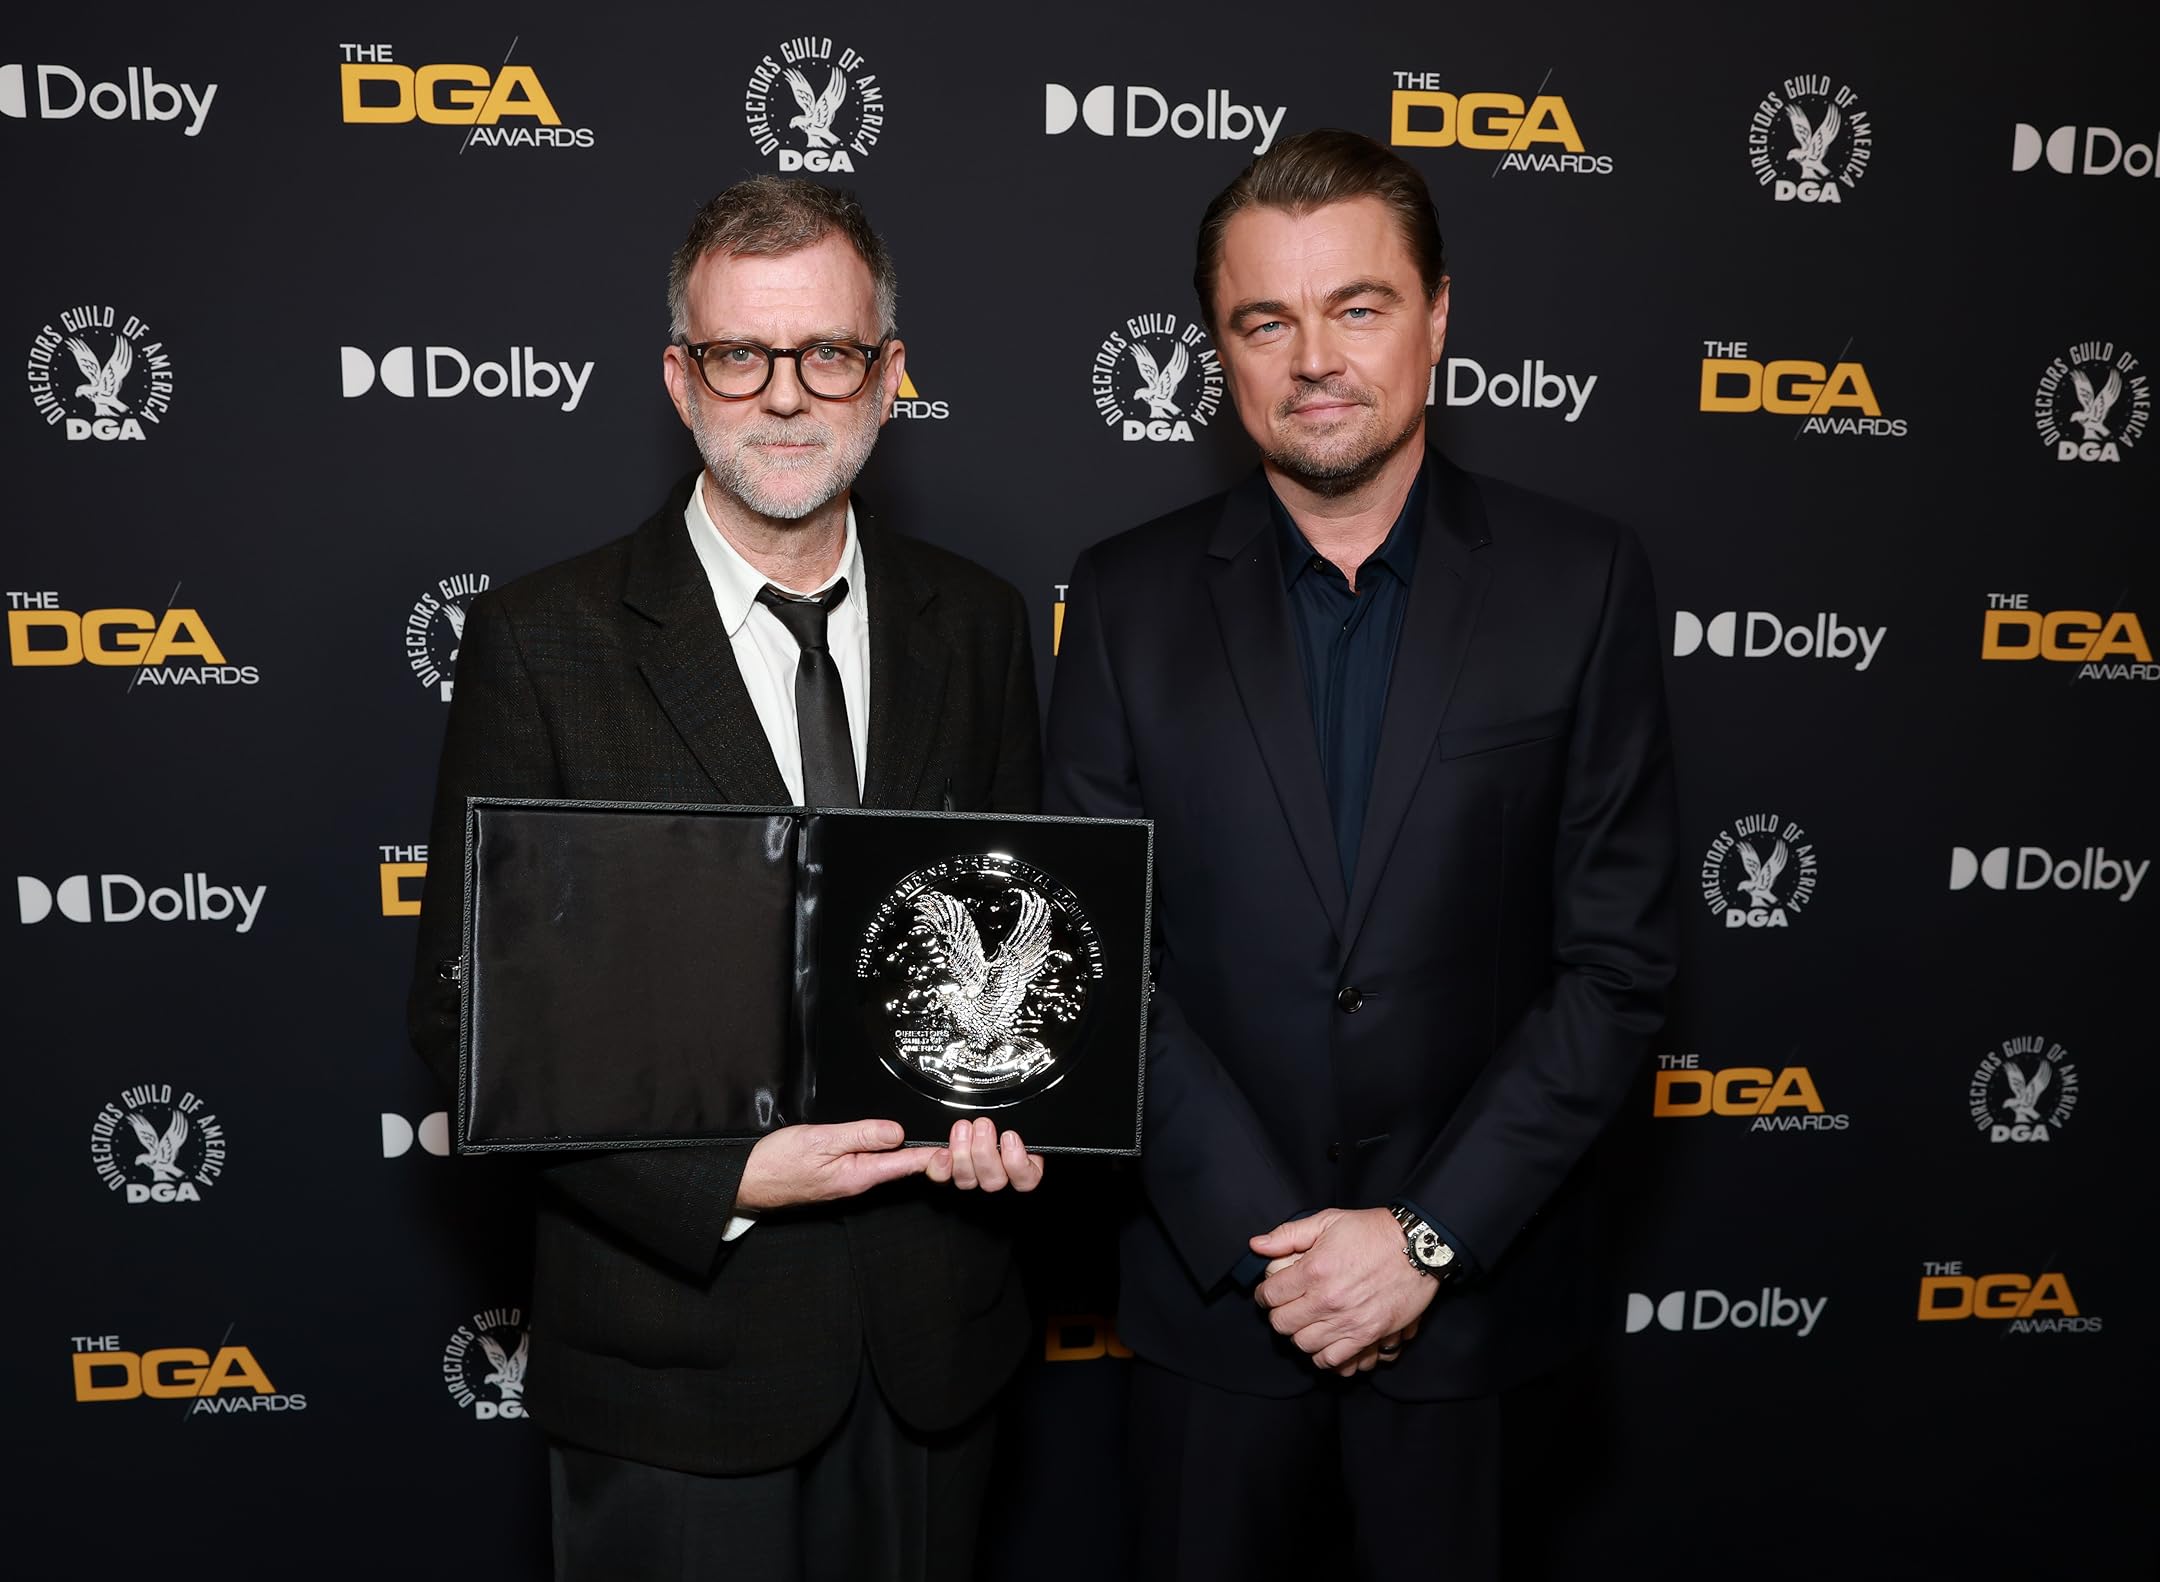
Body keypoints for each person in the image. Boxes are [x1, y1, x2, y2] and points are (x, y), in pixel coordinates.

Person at [1044, 128, 1679, 1580]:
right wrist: (1278, 1244)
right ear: (1220, 348)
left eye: (1359, 306)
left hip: (1477, 1323)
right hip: (1219, 1315)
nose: (1314, 358)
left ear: (1437, 316)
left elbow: (1618, 964)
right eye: (1265, 320)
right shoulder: (1126, 599)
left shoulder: (1581, 581)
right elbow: (1093, 953)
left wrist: (1424, 1238)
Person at [407, 176, 1046, 1582]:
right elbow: (465, 1027)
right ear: (678, 378)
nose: (786, 395)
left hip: (938, 1359)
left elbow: (1025, 935)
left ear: (889, 372)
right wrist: (730, 1178)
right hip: (672, 1372)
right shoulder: (542, 641)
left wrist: (1013, 1102)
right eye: (739, 354)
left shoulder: (980, 623)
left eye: (829, 352)